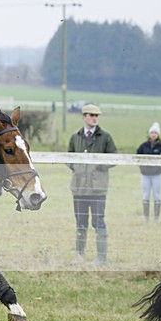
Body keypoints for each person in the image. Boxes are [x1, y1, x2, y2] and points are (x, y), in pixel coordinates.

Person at [68, 103, 117, 266]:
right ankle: (79, 255)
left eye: (97, 116)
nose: (95, 118)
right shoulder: (75, 137)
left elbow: (114, 158)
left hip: (98, 189)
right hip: (79, 188)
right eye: (91, 115)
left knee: (98, 222)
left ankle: (101, 258)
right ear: (84, 117)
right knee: (80, 223)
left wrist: (98, 167)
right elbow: (69, 158)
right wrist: (79, 169)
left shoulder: (106, 137)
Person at [136, 122, 161, 222]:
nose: (153, 134)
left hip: (157, 174)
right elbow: (137, 157)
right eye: (152, 133)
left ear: (158, 134)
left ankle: (156, 217)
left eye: (155, 133)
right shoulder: (143, 146)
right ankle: (146, 217)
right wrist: (141, 167)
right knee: (146, 195)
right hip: (145, 174)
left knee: (157, 195)